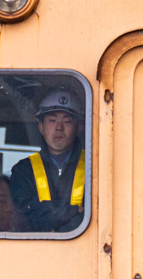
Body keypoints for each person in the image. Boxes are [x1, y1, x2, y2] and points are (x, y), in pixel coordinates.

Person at [10, 88, 86, 232]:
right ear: (41, 127)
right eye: (52, 120)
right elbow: (24, 216)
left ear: (78, 128)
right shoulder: (23, 170)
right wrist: (74, 210)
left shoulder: (94, 167)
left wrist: (45, 214)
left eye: (67, 121)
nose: (59, 128)